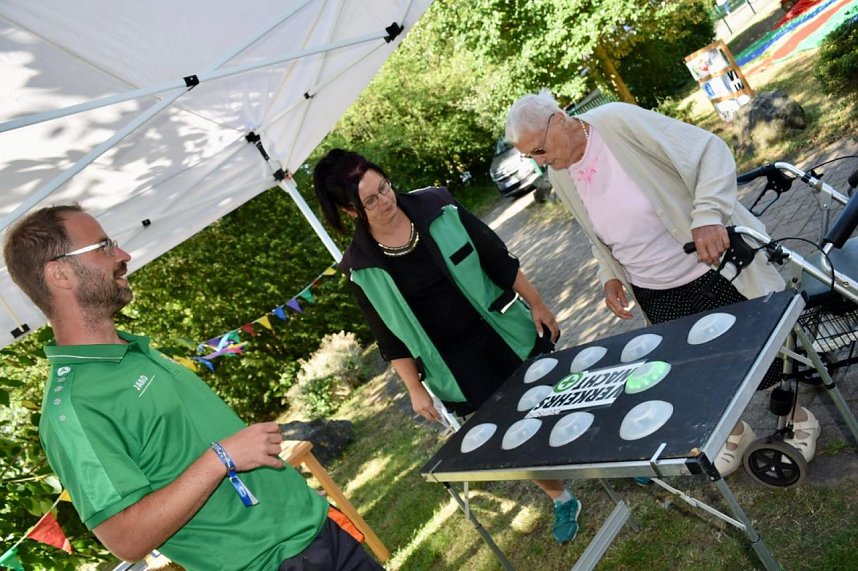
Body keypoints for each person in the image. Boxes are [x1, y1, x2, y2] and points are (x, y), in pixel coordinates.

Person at [3, 205, 383, 570]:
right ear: (61, 275)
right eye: (103, 246)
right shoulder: (72, 409)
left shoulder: (133, 349)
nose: (124, 254)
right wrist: (221, 458)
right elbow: (125, 538)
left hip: (315, 531)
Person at [505, 91, 821, 477]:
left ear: (559, 119)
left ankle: (798, 419)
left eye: (538, 149)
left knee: (760, 354)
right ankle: (735, 433)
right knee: (696, 370)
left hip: (709, 268)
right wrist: (610, 276)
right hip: (653, 289)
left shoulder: (618, 122)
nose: (539, 162)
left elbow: (710, 151)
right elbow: (594, 234)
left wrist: (707, 215)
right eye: (530, 156)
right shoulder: (560, 173)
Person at [313, 149, 581, 543]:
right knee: (513, 433)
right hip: (454, 365)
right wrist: (414, 389)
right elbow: (389, 338)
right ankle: (561, 497)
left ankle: (616, 458)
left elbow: (498, 259)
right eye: (369, 200)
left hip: (505, 329)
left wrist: (538, 304)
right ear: (349, 211)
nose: (385, 201)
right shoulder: (360, 268)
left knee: (559, 397)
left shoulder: (439, 206)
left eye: (383, 187)